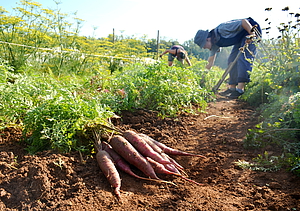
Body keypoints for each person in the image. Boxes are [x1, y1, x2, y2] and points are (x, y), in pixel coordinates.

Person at [194, 17, 261, 99]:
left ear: (207, 39)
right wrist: (202, 78)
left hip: (250, 28)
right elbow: (209, 62)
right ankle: (232, 88)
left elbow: (243, 22)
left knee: (243, 58)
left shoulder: (222, 29)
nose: (204, 48)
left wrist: (252, 34)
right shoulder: (214, 44)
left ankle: (240, 90)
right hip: (240, 38)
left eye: (204, 46)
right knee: (231, 60)